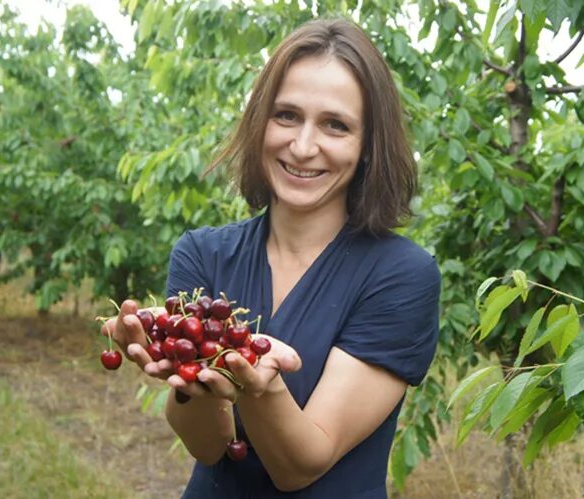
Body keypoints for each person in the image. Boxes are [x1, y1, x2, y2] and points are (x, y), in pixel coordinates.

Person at [104, 17, 441, 498]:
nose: (303, 147)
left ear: (369, 146)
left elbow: (301, 466)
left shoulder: (401, 276)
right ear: (259, 121)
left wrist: (262, 385)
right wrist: (190, 376)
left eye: (336, 125)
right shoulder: (202, 256)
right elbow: (206, 446)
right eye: (286, 115)